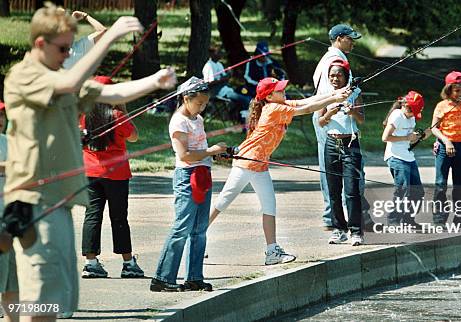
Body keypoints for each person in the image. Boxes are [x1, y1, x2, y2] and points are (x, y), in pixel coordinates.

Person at [2, 5, 175, 320]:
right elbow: (68, 85)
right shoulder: (26, 76)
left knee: (50, 301)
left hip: (59, 203)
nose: (69, 54)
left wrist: (155, 82)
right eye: (64, 48)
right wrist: (108, 40)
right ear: (41, 44)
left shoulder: (60, 75)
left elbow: (109, 93)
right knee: (45, 302)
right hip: (35, 203)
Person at [209, 77, 349, 264]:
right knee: (222, 202)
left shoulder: (279, 103)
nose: (284, 92)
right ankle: (194, 238)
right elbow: (306, 110)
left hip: (260, 165)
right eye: (279, 90)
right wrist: (334, 99)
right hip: (247, 163)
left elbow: (306, 101)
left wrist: (334, 94)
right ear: (269, 96)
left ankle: (272, 251)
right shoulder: (274, 108)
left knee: (269, 206)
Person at [150, 77, 226, 292]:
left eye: (205, 103)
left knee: (200, 230)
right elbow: (185, 155)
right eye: (199, 102)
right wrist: (211, 151)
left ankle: (194, 277)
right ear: (186, 98)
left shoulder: (197, 119)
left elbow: (199, 149)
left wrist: (215, 154)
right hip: (187, 176)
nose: (202, 106)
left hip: (203, 174)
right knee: (182, 227)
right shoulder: (179, 122)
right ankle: (162, 279)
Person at [79, 76, 144, 279]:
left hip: (90, 172)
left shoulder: (82, 116)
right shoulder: (117, 115)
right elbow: (134, 136)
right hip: (116, 174)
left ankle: (91, 263)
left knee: (92, 215)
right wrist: (123, 109)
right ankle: (128, 263)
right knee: (119, 217)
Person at [312, 23, 361, 229]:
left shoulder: (329, 58)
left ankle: (336, 216)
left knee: (333, 170)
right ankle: (336, 218)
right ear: (339, 38)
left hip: (329, 113)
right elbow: (329, 93)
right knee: (334, 171)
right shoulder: (335, 60)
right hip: (328, 116)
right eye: (350, 39)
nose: (353, 43)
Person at [317, 59, 364, 246]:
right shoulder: (325, 95)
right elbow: (321, 121)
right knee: (334, 190)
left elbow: (361, 119)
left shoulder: (355, 93)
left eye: (338, 75)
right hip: (331, 143)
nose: (335, 78)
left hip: (350, 143)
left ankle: (356, 231)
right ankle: (339, 229)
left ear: (346, 76)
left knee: (352, 189)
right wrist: (329, 113)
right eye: (332, 75)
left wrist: (352, 112)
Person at [430, 71, 461, 227]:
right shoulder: (441, 106)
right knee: (441, 184)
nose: (460, 93)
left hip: (460, 146)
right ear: (448, 90)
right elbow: (434, 128)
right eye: (457, 90)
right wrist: (446, 141)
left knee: (459, 185)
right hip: (445, 147)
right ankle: (439, 220)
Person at [382, 91, 431, 229]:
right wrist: (407, 138)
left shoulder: (412, 118)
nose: (413, 115)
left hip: (408, 156)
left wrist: (419, 136)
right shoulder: (397, 115)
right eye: (412, 111)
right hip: (395, 156)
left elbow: (409, 138)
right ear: (405, 106)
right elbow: (385, 137)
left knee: (418, 191)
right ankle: (393, 220)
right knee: (403, 190)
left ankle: (408, 219)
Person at [0, 101, 18, 322]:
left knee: (13, 282)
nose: (0, 119)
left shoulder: (9, 142)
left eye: (3, 115)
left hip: (13, 218)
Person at [202, 45, 251, 120]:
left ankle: (236, 116)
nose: (220, 54)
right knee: (245, 100)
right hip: (218, 92)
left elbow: (225, 79)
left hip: (226, 89)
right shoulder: (208, 66)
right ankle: (243, 120)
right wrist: (223, 79)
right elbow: (208, 83)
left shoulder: (219, 64)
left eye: (220, 52)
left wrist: (229, 74)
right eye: (217, 52)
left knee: (245, 93)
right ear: (211, 54)